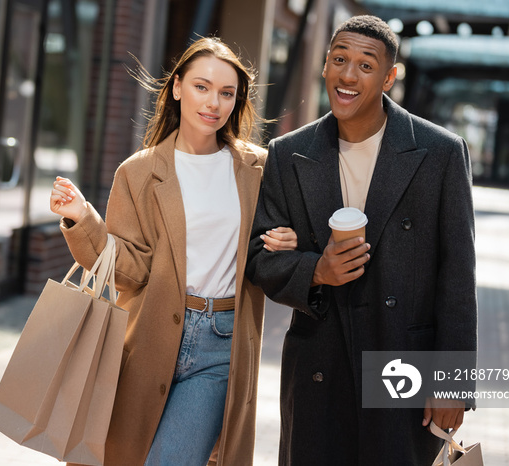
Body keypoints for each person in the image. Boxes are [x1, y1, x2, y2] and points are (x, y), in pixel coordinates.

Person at [50, 37, 297, 466]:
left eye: (226, 93)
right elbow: (129, 270)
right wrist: (83, 220)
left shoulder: (259, 169)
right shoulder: (139, 171)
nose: (213, 103)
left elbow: (273, 250)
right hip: (147, 337)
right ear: (177, 87)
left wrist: (288, 243)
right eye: (202, 87)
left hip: (222, 343)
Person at [246, 15, 477, 465]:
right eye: (339, 60)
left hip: (401, 363)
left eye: (366, 65)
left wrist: (451, 383)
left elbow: (457, 276)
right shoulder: (289, 153)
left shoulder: (441, 152)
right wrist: (316, 269)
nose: (348, 75)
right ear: (325, 67)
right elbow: (258, 256)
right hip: (319, 359)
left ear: (389, 76)